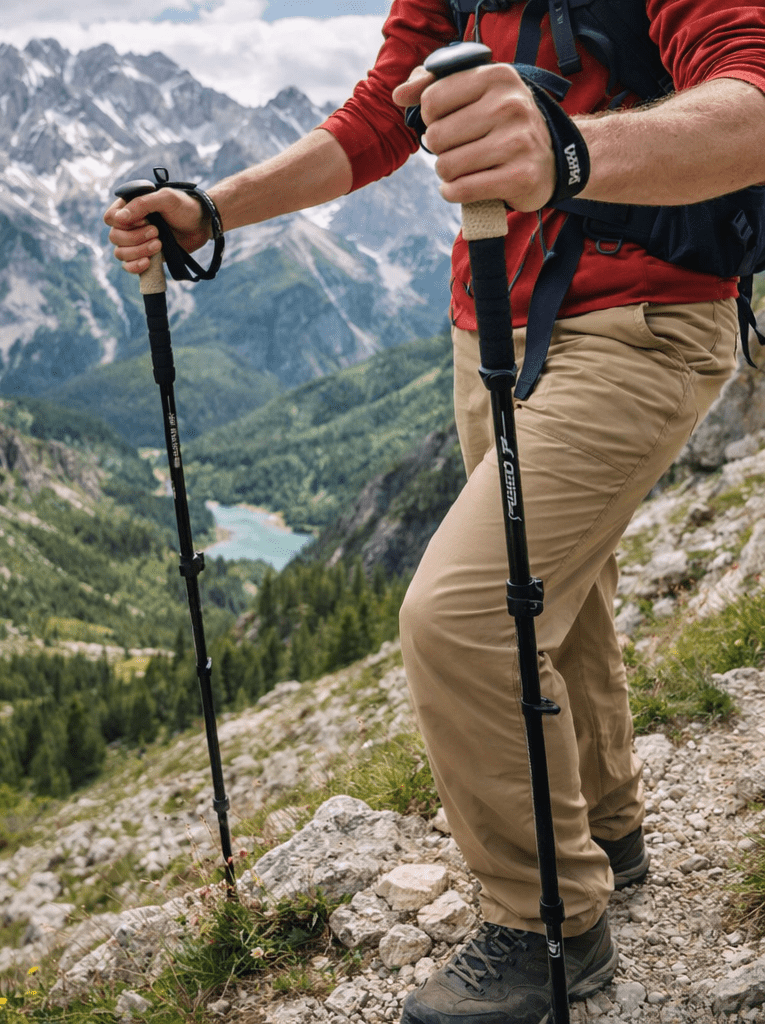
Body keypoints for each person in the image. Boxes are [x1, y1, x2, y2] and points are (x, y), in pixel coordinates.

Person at [105, 3, 765, 1022]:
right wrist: (212, 209)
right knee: (549, 593)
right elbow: (380, 118)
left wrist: (567, 152)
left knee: (461, 616)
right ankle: (604, 828)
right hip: (485, 315)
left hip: (644, 318)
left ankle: (548, 918)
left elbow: (753, 101)